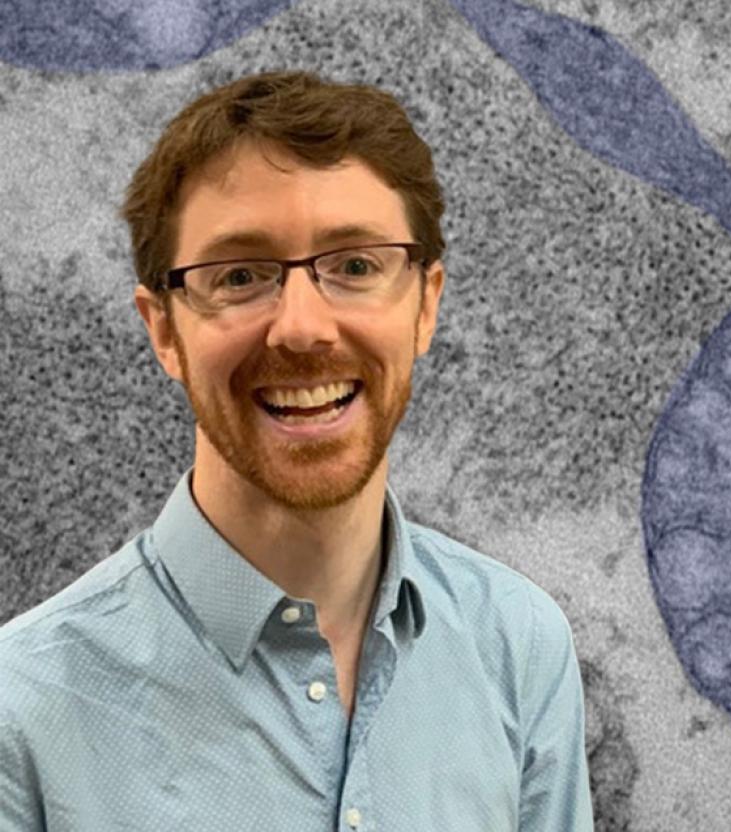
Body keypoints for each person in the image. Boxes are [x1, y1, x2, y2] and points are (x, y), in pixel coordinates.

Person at [0, 70, 594, 831]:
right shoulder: (25, 709)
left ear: (426, 304)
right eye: (240, 276)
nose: (304, 328)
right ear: (163, 332)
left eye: (355, 266)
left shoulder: (519, 645)